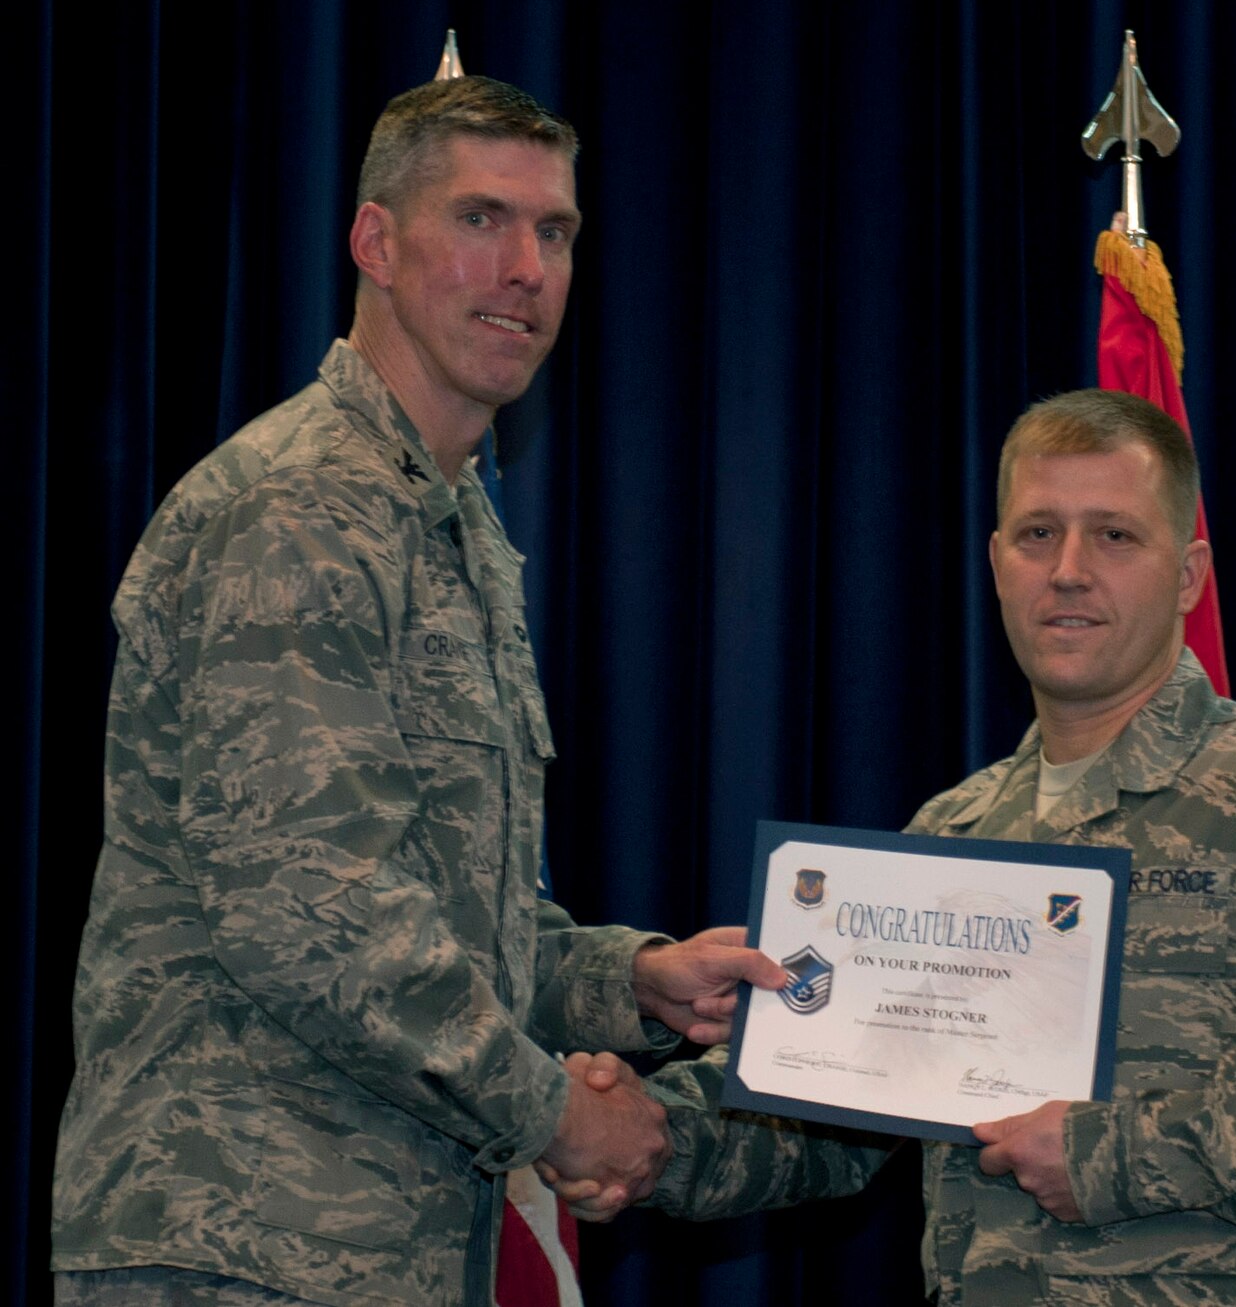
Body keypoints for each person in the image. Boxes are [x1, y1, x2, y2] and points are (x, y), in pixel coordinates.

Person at [49, 75, 785, 1306]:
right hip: (240, 1239)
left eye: (554, 233)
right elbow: (315, 908)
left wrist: (634, 980)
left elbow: (451, 913)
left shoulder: (451, 530)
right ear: (376, 243)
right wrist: (555, 1109)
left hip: (373, 1249)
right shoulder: (298, 508)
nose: (526, 270)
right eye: (482, 220)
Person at [560, 388, 1236, 1303]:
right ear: (998, 563)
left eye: (1115, 535)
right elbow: (836, 1106)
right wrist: (650, 1133)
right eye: (1039, 534)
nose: (1070, 569)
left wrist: (1115, 1154)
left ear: (1191, 573)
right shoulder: (954, 833)